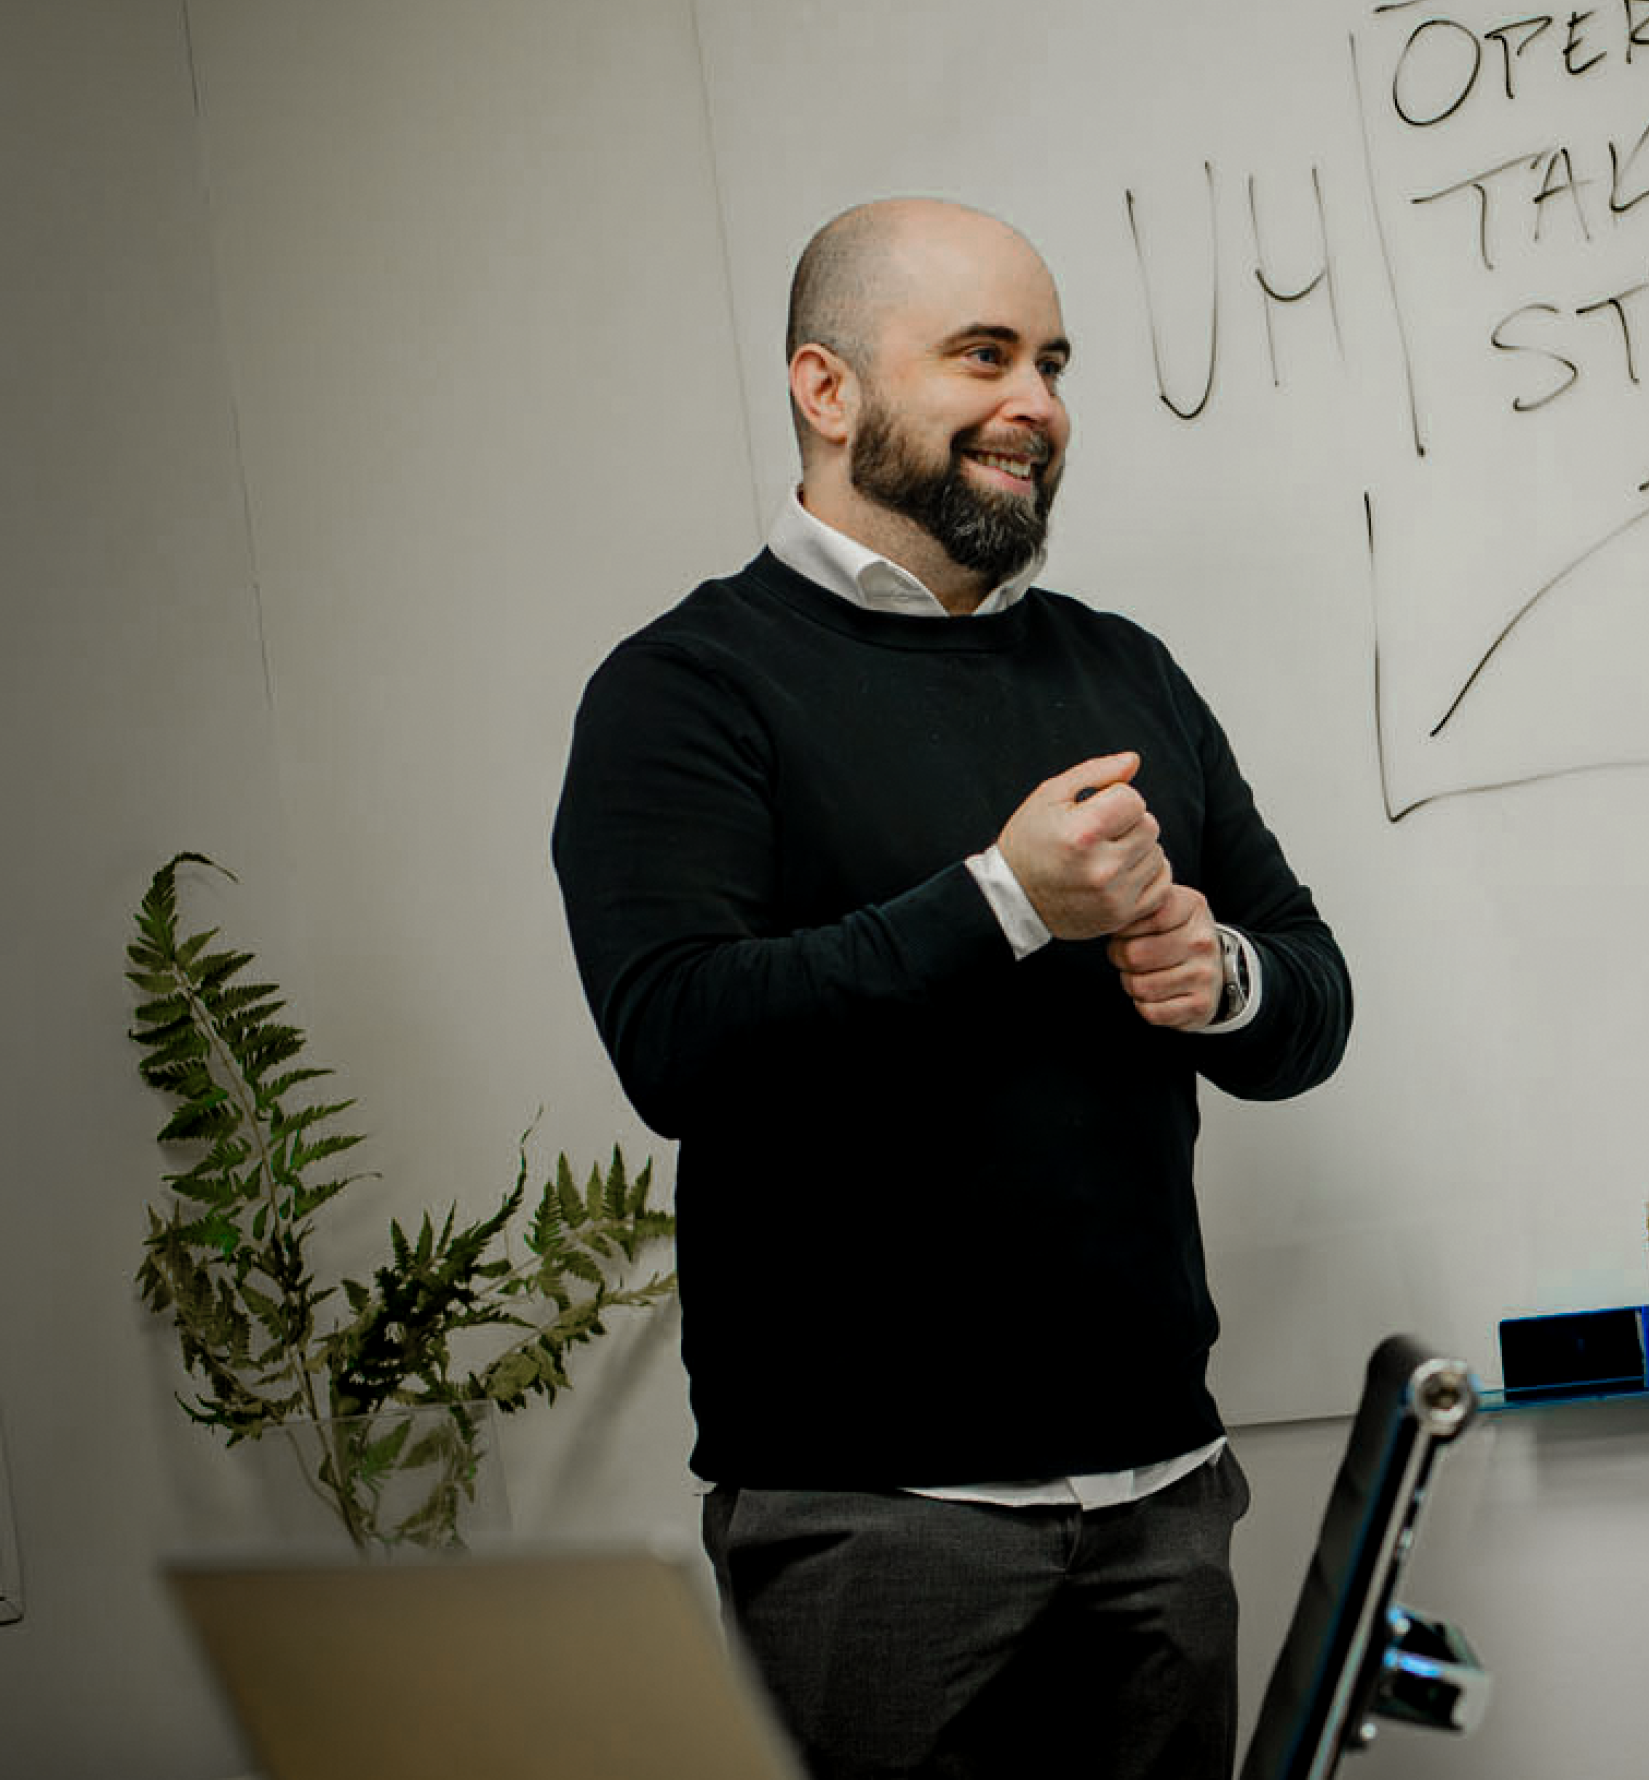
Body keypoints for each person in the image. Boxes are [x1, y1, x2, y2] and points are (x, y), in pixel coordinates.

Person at [551, 196, 1353, 1780]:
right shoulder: (687, 689)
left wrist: (1223, 976)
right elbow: (680, 1044)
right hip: (872, 1530)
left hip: (1166, 1506)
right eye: (982, 354)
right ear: (825, 388)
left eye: (1052, 362)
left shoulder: (1125, 668)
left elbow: (1309, 998)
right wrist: (1003, 902)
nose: (1036, 404)